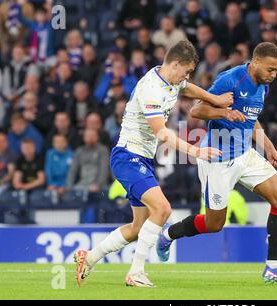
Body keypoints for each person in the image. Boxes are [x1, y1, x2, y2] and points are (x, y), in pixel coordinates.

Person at [74, 40, 233, 287]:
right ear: (175, 64)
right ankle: (136, 272)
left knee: (139, 227)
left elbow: (187, 88)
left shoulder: (169, 79)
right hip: (128, 156)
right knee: (163, 209)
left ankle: (90, 257)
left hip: (142, 159)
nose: (187, 76)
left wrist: (215, 99)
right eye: (187, 70)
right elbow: (161, 133)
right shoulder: (151, 88)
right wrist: (195, 151)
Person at [157, 42, 277, 285]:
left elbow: (251, 119)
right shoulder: (230, 79)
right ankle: (168, 234)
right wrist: (224, 112)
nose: (274, 75)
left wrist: (269, 149)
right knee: (214, 224)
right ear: (255, 62)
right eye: (270, 69)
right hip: (218, 159)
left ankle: (273, 267)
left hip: (245, 154)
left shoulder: (263, 86)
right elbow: (197, 111)